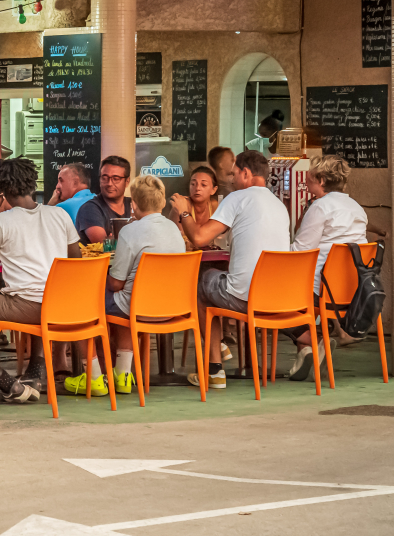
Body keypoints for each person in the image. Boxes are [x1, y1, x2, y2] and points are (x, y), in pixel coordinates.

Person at [0, 157, 83, 406]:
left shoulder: (2, 221)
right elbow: (76, 258)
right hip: (60, 304)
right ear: (33, 183)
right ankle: (35, 372)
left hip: (23, 306)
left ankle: (4, 381)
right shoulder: (59, 215)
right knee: (40, 294)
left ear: (2, 192)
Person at [171, 150, 289, 389]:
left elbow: (200, 238)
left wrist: (184, 211)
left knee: (200, 281)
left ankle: (215, 369)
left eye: (234, 174)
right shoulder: (280, 206)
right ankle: (221, 348)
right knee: (213, 283)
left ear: (246, 173)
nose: (232, 180)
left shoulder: (238, 198)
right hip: (278, 298)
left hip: (246, 297)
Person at [81, 175, 186, 397]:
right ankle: (123, 375)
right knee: (126, 300)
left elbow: (117, 284)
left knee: (86, 302)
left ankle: (95, 378)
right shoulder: (174, 229)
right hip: (173, 308)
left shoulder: (130, 231)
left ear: (134, 205)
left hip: (137, 308)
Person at [286, 155, 370, 381]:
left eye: (310, 176)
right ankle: (306, 353)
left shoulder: (320, 207)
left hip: (320, 292)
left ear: (321, 180)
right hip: (351, 290)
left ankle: (312, 341)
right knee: (306, 289)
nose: (306, 180)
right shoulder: (357, 208)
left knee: (269, 298)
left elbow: (301, 251)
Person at [75, 155, 132, 244]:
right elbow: (106, 246)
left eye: (115, 179)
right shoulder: (90, 209)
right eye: (104, 178)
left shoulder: (134, 205)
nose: (109, 183)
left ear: (127, 181)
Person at [167, 165, 221, 249]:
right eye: (193, 184)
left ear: (213, 190)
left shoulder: (215, 206)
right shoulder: (180, 206)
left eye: (203, 185)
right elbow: (177, 243)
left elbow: (221, 238)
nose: (197, 188)